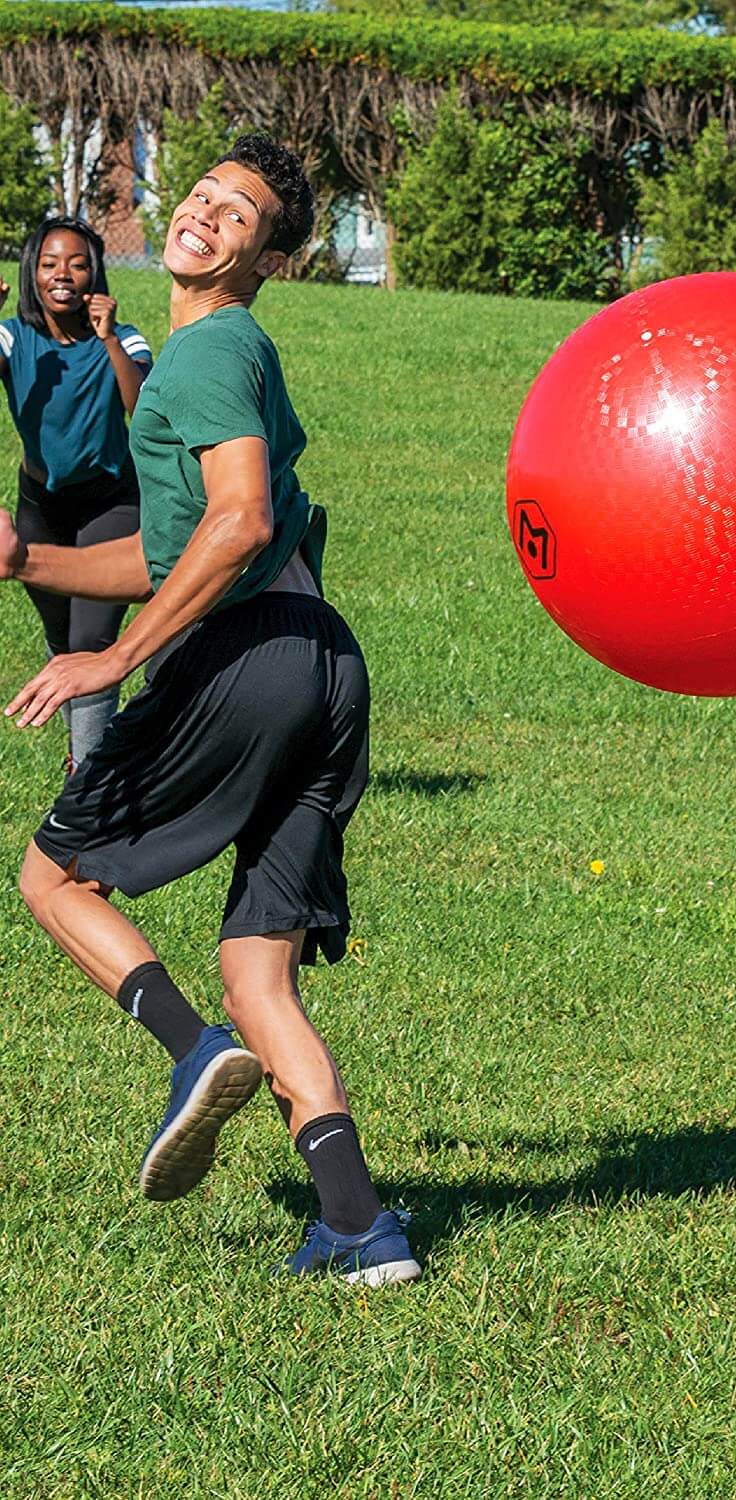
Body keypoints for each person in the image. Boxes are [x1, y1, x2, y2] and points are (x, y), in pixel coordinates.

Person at [0, 135, 418, 1286]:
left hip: (250, 656)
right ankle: (359, 1229)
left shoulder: (204, 354)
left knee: (53, 877)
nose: (206, 215)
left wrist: (116, 661)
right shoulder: (226, 352)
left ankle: (192, 1056)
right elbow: (173, 546)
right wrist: (29, 561)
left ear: (264, 258)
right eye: (203, 197)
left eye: (240, 215)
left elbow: (231, 527)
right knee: (257, 967)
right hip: (328, 663)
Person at [0, 216, 151, 772]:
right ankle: (81, 746)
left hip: (113, 501)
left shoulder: (125, 334)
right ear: (32, 273)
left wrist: (108, 338)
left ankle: (90, 776)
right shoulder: (12, 337)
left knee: (91, 638)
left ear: (95, 273)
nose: (62, 274)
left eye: (77, 262)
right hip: (41, 507)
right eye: (49, 263)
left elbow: (141, 405)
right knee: (62, 636)